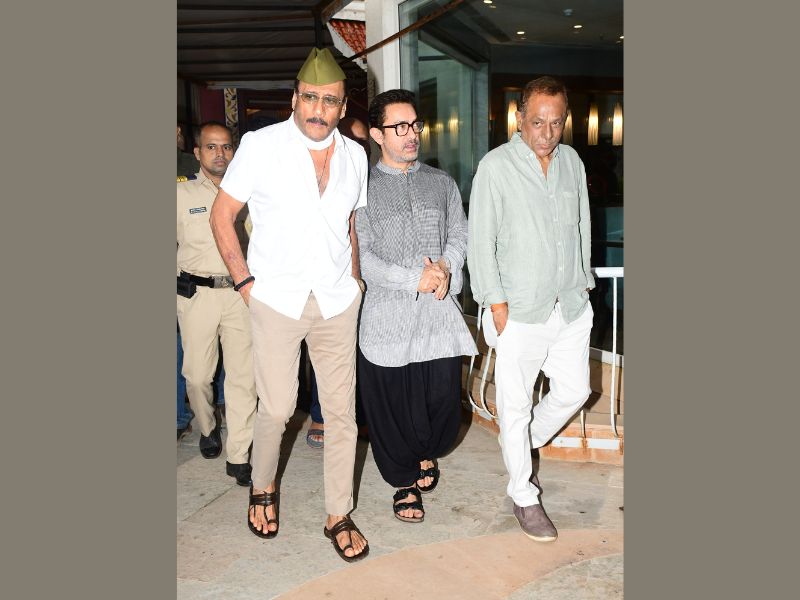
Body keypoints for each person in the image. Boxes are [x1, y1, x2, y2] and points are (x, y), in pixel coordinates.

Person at [209, 48, 370, 562]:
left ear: (342, 106)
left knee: (342, 414)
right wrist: (245, 284)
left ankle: (338, 513)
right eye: (311, 98)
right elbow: (222, 215)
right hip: (275, 299)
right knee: (277, 408)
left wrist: (355, 281)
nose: (319, 110)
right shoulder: (261, 146)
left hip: (337, 300)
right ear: (295, 98)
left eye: (330, 101)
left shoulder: (356, 156)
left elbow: (350, 224)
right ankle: (263, 486)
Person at [467, 76, 595, 543]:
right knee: (515, 404)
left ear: (565, 120)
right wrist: (496, 304)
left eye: (555, 122)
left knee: (575, 390)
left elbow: (581, 225)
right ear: (520, 118)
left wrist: (583, 281)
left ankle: (520, 442)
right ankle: (523, 494)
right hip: (518, 308)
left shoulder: (572, 163)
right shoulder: (495, 167)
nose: (547, 132)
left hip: (569, 303)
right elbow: (480, 241)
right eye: (537, 122)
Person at [356, 89, 477, 523]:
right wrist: (414, 278)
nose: (412, 135)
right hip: (387, 317)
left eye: (415, 125)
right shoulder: (361, 190)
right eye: (400, 127)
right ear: (377, 134)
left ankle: (426, 450)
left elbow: (459, 233)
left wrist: (445, 266)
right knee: (393, 406)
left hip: (437, 315)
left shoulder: (441, 183)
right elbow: (363, 256)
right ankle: (403, 481)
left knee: (440, 402)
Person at [177, 121, 257, 486]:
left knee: (243, 378)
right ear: (197, 152)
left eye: (226, 146)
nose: (220, 153)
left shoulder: (251, 193)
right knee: (197, 377)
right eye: (211, 147)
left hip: (241, 295)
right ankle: (208, 426)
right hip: (197, 296)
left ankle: (239, 455)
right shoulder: (180, 194)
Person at [305, 116, 370, 450]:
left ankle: (362, 415)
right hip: (333, 281)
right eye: (352, 140)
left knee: (363, 353)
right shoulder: (323, 178)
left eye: (364, 142)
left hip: (372, 280)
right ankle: (320, 414)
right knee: (328, 352)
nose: (359, 147)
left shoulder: (373, 176)